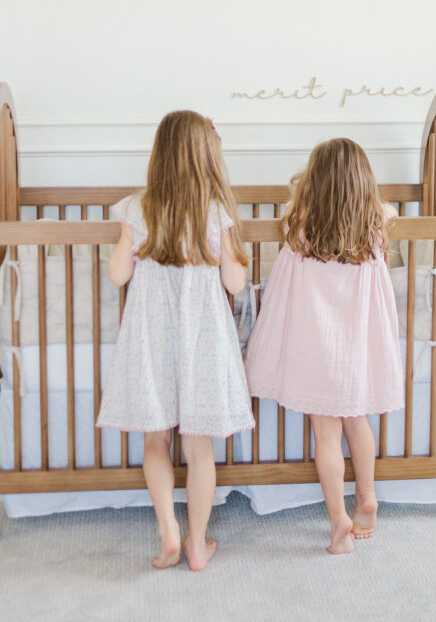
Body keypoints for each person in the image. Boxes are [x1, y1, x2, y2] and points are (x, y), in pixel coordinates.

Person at [97, 111, 254, 571]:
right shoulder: (215, 211)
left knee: (155, 442)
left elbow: (118, 274)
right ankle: (197, 543)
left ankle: (168, 532)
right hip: (202, 339)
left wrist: (132, 244)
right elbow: (236, 282)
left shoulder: (136, 209)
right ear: (205, 155)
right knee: (199, 447)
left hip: (151, 337)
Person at [245, 138, 403, 554]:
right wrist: (380, 208)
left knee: (326, 437)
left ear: (314, 182)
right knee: (358, 422)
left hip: (317, 350)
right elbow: (390, 210)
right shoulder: (374, 226)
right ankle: (366, 496)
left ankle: (339, 522)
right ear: (363, 184)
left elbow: (291, 211)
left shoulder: (300, 227)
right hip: (355, 352)